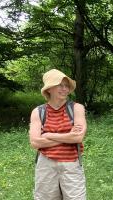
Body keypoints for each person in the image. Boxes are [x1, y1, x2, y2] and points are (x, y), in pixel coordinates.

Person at [29, 69, 87, 200]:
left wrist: (48, 134)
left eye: (67, 86)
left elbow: (78, 137)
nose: (65, 89)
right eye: (60, 85)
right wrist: (68, 136)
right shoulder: (38, 112)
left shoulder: (77, 108)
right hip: (46, 164)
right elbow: (35, 142)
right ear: (49, 89)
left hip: (71, 163)